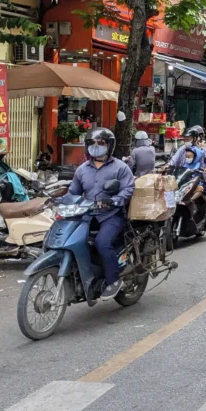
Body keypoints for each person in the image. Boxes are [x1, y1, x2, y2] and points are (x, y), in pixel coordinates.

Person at [67, 127, 136, 299]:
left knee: (102, 242)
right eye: (92, 143)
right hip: (88, 214)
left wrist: (115, 200)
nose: (96, 146)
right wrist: (58, 202)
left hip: (112, 215)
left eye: (101, 143)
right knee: (73, 240)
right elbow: (73, 192)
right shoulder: (82, 169)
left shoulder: (121, 167)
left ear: (109, 145)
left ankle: (113, 280)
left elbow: (128, 189)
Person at [167, 126, 206, 237]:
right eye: (185, 139)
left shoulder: (203, 149)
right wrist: (167, 166)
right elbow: (173, 161)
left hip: (200, 179)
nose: (186, 141)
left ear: (195, 138)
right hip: (184, 179)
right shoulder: (182, 150)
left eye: (188, 139)